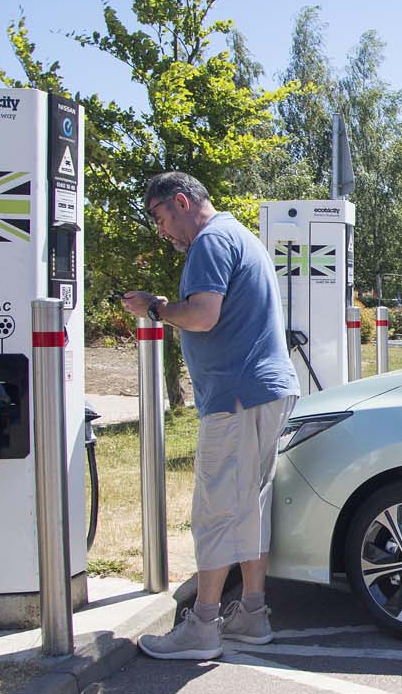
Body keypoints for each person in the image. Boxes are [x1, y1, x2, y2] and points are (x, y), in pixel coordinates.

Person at [123, 171, 299, 660]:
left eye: (160, 217)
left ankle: (202, 626)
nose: (162, 232)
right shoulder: (238, 234)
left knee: (216, 511)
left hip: (237, 397)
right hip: (265, 391)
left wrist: (159, 308)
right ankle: (252, 613)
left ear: (181, 201)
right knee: (249, 508)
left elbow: (202, 314)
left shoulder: (209, 241)